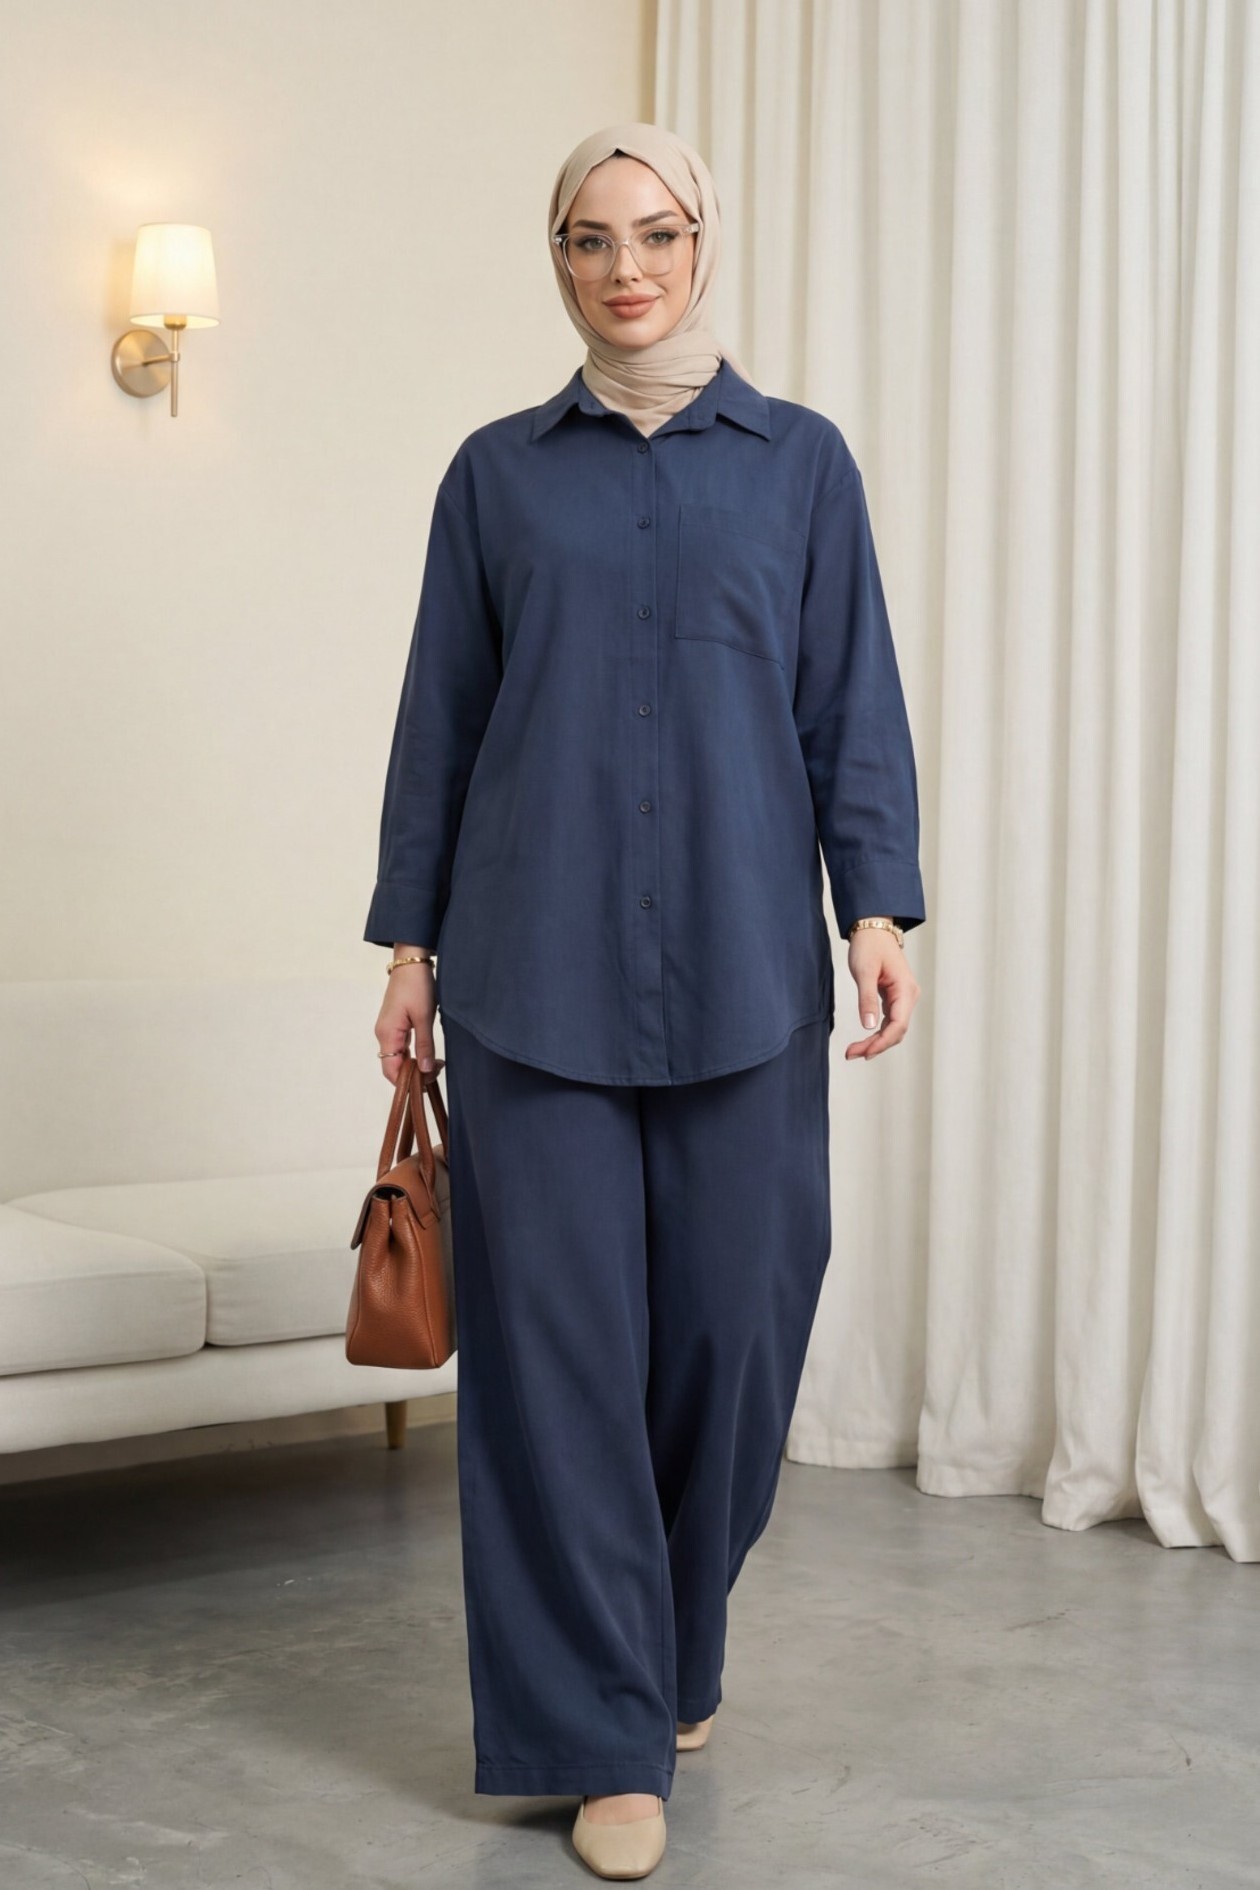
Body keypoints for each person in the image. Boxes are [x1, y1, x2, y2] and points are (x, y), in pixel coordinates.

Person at [364, 121, 926, 1881]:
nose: (628, 267)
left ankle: (673, 1641)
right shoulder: (495, 477)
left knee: (737, 1331)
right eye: (592, 239)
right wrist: (408, 949)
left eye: (659, 233)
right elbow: (441, 720)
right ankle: (602, 1734)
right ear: (558, 261)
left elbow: (850, 699)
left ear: (703, 244)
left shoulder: (802, 464)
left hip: (750, 969)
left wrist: (877, 903)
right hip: (526, 976)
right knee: (555, 1363)